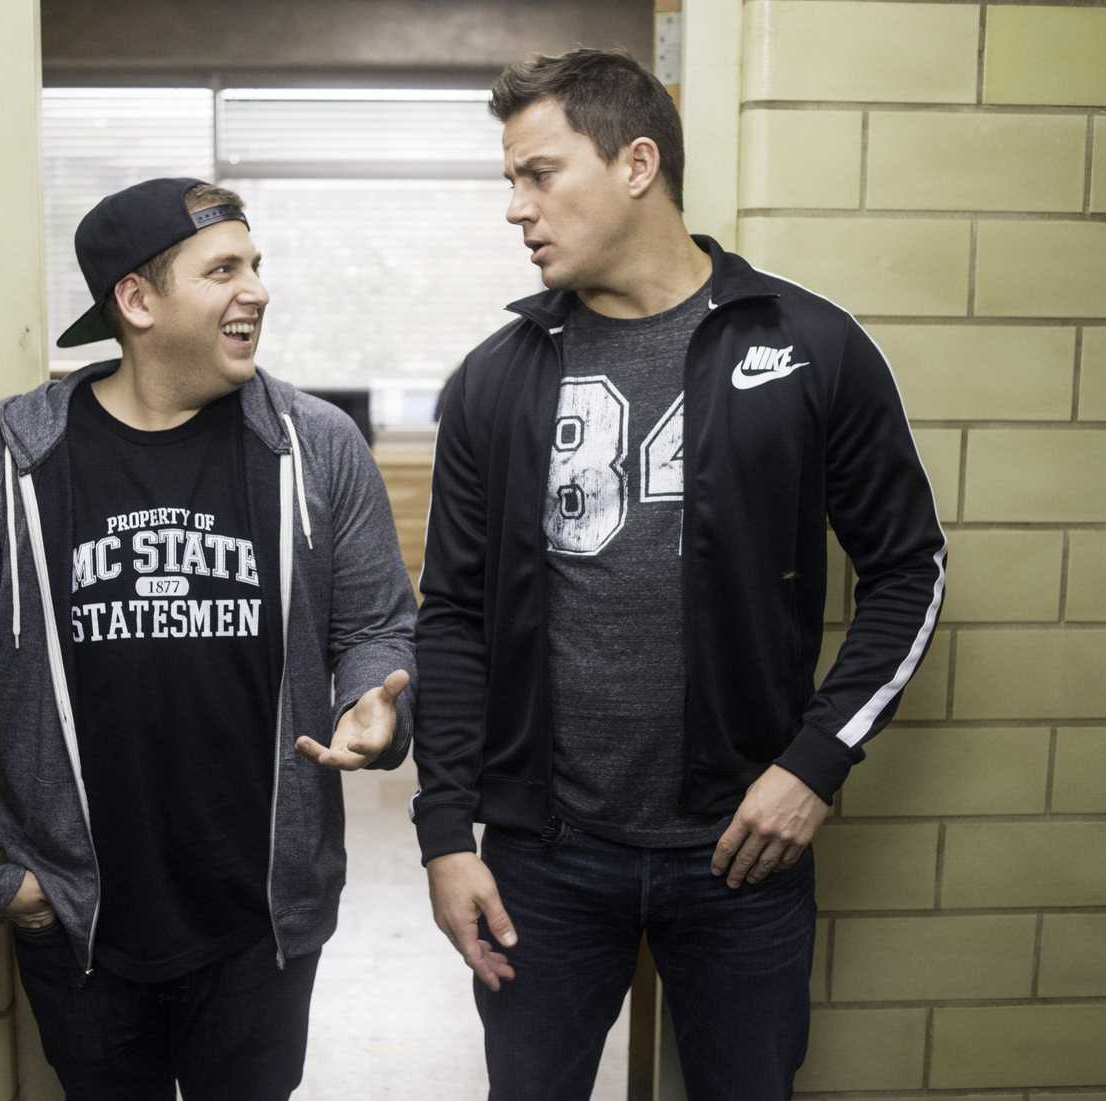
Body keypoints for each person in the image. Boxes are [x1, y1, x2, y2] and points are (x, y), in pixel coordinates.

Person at [411, 50, 947, 1099]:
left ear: (637, 163)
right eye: (510, 181)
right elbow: (454, 619)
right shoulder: (493, 380)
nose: (517, 208)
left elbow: (909, 570)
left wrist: (816, 762)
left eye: (540, 173)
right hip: (544, 859)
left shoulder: (807, 344)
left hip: (741, 850)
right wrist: (443, 832)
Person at [0, 177, 417, 1100]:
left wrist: (375, 701)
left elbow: (376, 625)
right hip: (81, 922)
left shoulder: (318, 448)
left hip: (262, 922)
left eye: (255, 265)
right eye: (223, 269)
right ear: (136, 302)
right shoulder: (14, 462)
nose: (256, 288)